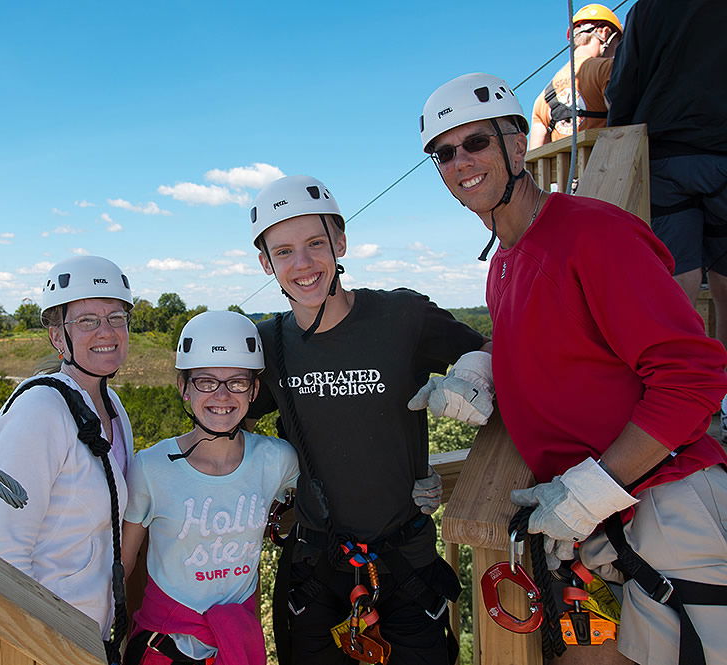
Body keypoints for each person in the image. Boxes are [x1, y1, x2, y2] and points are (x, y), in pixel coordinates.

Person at [421, 72, 727, 665]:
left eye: (476, 143)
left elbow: (692, 377)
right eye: (444, 152)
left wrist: (594, 487)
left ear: (517, 145)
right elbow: (551, 339)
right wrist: (483, 366)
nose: (461, 162)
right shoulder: (504, 260)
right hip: (593, 524)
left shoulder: (594, 234)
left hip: (665, 504)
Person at [245, 175, 493, 665]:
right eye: (284, 251)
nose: (303, 264)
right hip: (317, 567)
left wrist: (474, 375)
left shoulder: (401, 317)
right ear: (266, 263)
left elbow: (487, 349)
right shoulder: (268, 344)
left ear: (340, 242)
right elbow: (226, 419)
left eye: (316, 243)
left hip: (406, 560)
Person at [0, 255, 135, 664]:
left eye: (116, 318)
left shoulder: (112, 406)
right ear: (57, 336)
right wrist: (36, 644)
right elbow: (7, 551)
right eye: (87, 321)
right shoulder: (41, 410)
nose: (106, 331)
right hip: (50, 639)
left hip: (93, 635)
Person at [120, 310, 299, 665]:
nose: (221, 395)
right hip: (166, 645)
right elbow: (122, 566)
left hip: (236, 642)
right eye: (205, 381)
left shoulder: (277, 460)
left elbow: (325, 493)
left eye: (236, 382)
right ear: (183, 388)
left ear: (254, 390)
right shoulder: (151, 467)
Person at [607, 0, 727, 352]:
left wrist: (621, 140)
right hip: (722, 150)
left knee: (678, 278)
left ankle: (683, 385)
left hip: (667, 155)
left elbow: (623, 82)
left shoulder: (649, 8)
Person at [528, 3, 622, 150]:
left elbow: (535, 154)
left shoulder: (542, 99)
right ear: (604, 33)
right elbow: (625, 123)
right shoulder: (607, 68)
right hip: (606, 168)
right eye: (618, 43)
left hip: (564, 173)